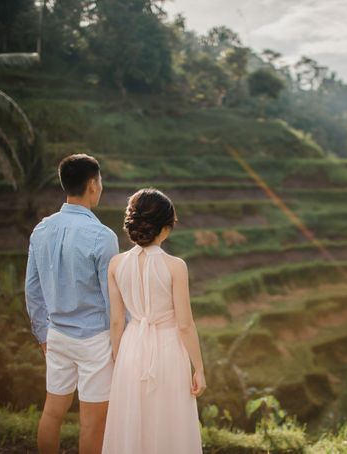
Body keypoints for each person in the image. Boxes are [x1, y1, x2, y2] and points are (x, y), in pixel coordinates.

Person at [25, 153, 119, 454]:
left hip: (57, 336)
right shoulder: (103, 236)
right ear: (92, 185)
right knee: (92, 423)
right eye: (100, 181)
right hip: (95, 340)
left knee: (52, 412)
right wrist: (119, 343)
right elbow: (111, 300)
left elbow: (32, 289)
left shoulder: (41, 230)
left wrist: (42, 334)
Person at [102, 188, 205, 454]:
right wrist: (199, 369)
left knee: (134, 423)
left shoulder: (115, 264)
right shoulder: (175, 266)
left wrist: (119, 359)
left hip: (131, 347)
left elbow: (116, 322)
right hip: (168, 349)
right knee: (168, 422)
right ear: (166, 226)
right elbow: (184, 324)